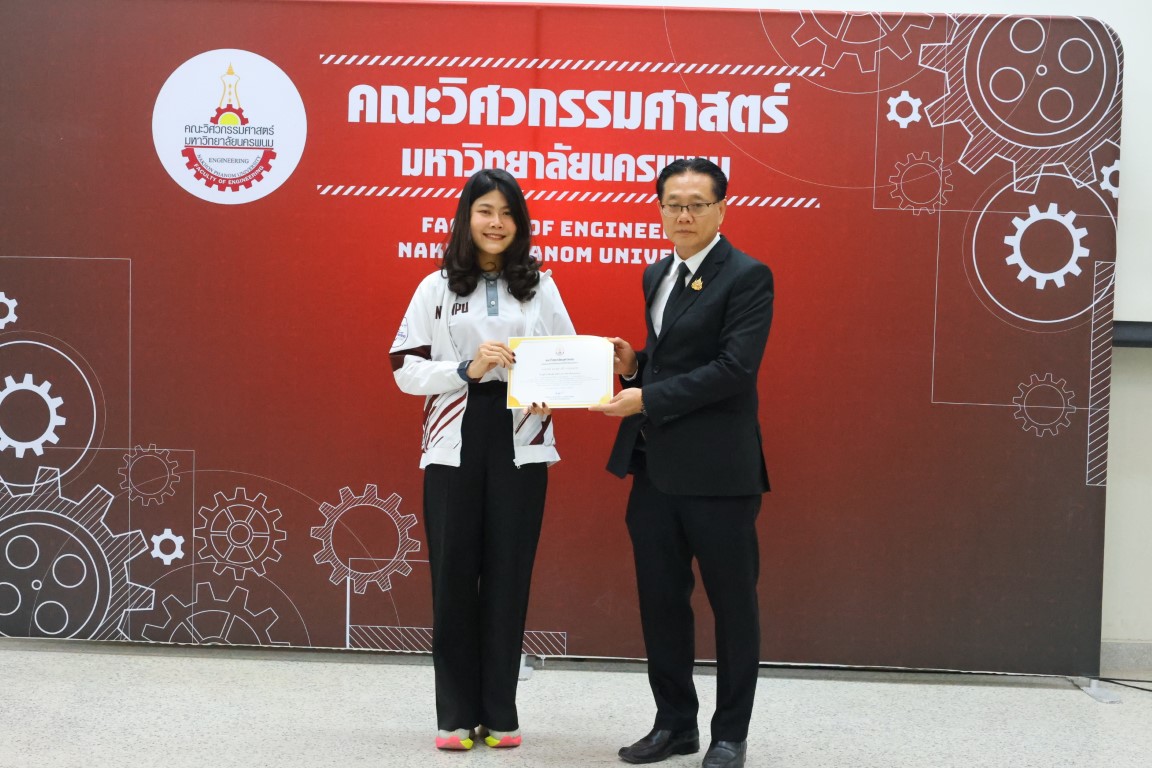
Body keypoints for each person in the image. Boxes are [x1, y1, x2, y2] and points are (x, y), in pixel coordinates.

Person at [591, 158, 774, 768]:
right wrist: (634, 365)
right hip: (656, 469)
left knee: (732, 607)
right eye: (673, 204)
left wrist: (646, 397)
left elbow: (733, 369)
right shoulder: (657, 272)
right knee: (661, 603)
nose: (684, 215)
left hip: (720, 474)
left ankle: (730, 735)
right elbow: (672, 358)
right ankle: (674, 725)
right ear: (661, 209)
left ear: (722, 208)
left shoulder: (748, 276)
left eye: (697, 203)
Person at [390, 168, 575, 751]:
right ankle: (453, 715)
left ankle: (499, 713)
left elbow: (569, 359)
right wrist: (465, 369)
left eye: (507, 213)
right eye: (485, 211)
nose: (497, 223)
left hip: (521, 439)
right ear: (466, 218)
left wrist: (552, 388)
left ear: (520, 223)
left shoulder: (540, 286)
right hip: (455, 437)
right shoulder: (435, 286)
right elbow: (404, 369)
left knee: (508, 574)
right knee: (453, 575)